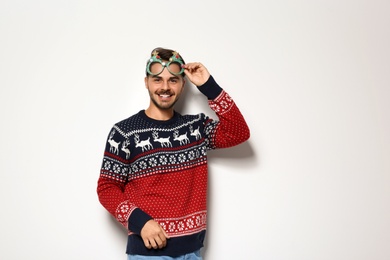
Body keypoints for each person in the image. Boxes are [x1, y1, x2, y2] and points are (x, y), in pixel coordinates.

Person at [97, 47, 250, 259]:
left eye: (173, 80)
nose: (165, 87)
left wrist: (209, 86)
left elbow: (238, 133)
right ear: (146, 82)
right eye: (157, 79)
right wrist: (140, 222)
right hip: (148, 252)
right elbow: (107, 188)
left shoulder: (195, 128)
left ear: (183, 84)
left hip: (192, 252)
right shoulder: (124, 132)